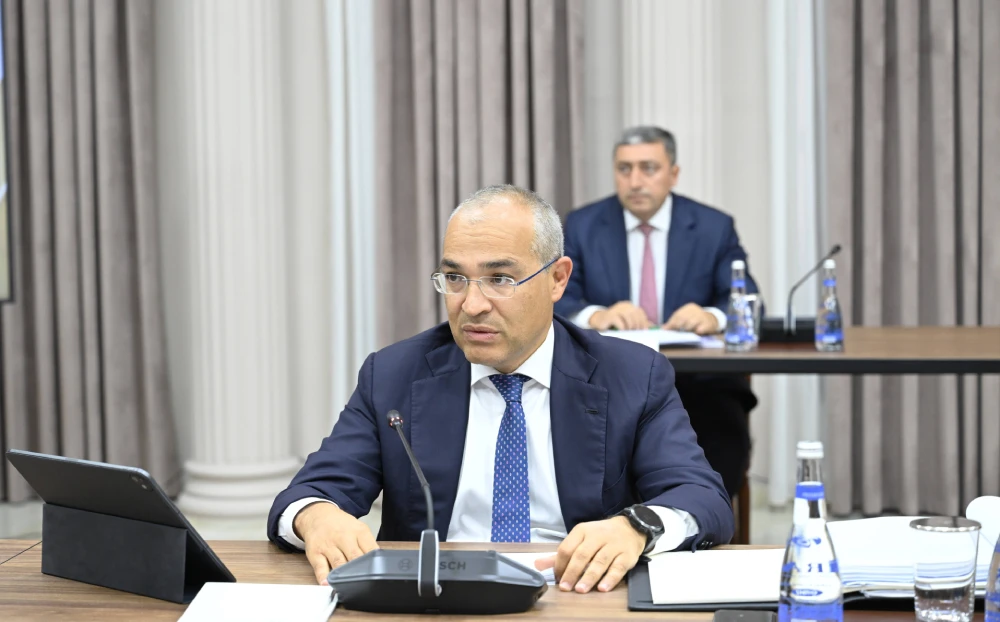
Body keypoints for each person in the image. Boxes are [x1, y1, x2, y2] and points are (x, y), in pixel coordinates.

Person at [267, 185, 733, 594]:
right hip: (434, 602)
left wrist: (636, 527)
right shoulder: (394, 374)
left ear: (557, 279)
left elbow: (701, 496)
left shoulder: (631, 374)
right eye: (455, 278)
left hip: (576, 594)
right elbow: (309, 493)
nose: (472, 304)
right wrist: (317, 517)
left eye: (500, 280)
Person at [554, 126, 759, 499]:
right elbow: (555, 296)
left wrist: (713, 316)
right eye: (625, 169)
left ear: (673, 174)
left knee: (718, 442)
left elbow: (745, 297)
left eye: (648, 168)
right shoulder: (583, 224)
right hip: (607, 381)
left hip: (698, 385)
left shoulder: (713, 226)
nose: (635, 181)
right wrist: (595, 314)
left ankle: (700, 515)